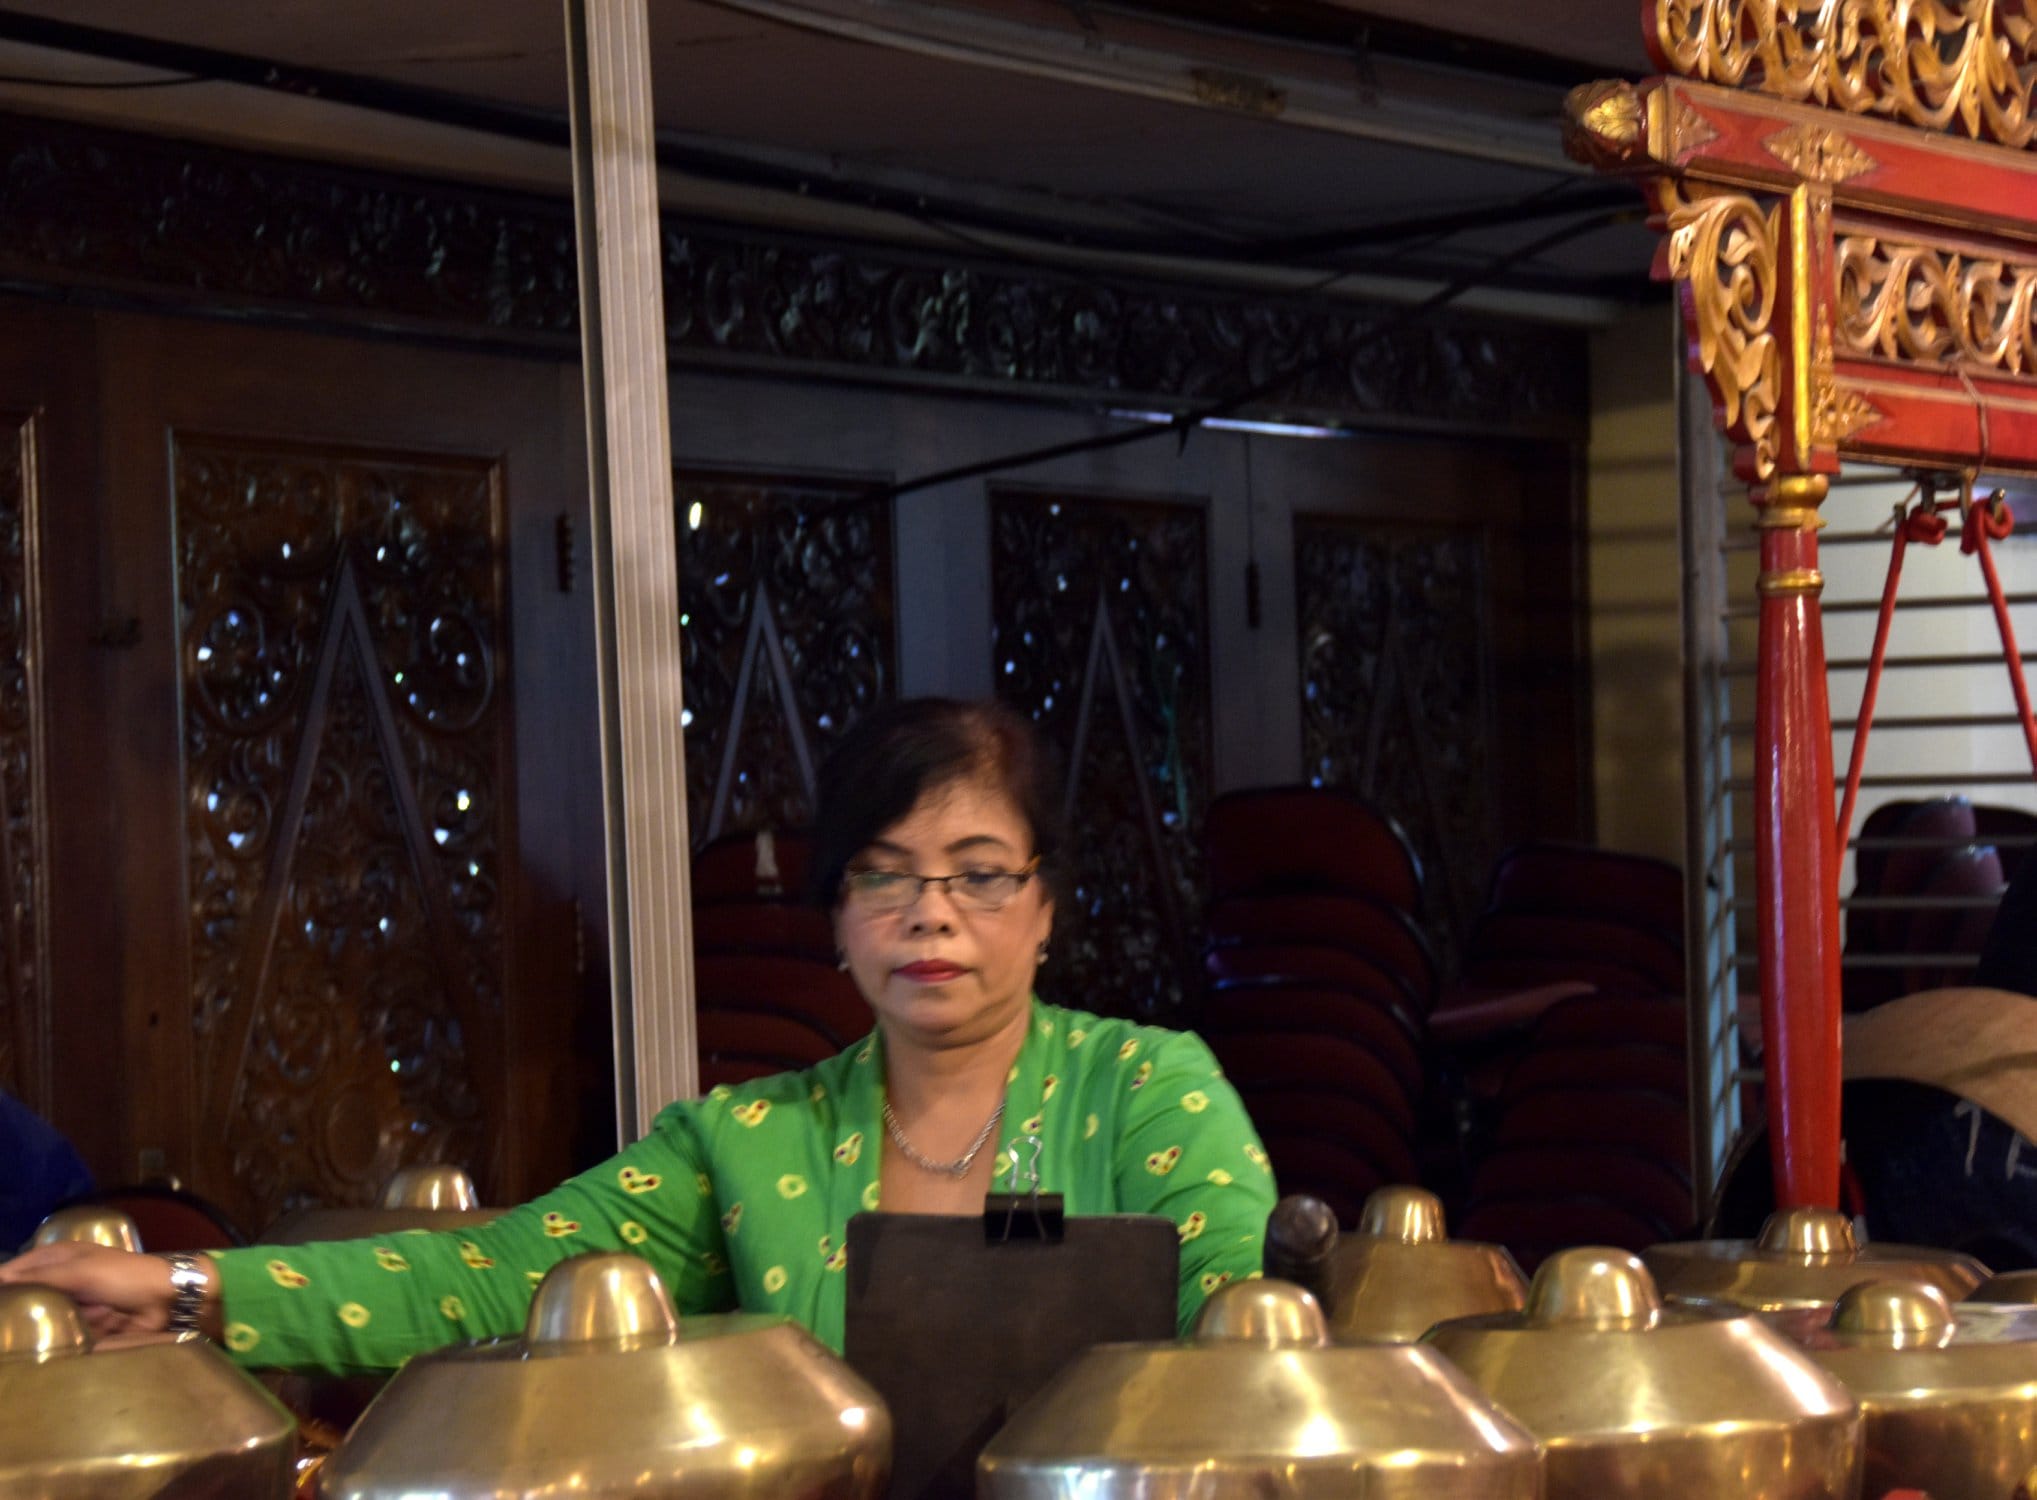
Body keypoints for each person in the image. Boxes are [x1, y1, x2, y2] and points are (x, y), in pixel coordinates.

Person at [1, 698, 1275, 1371]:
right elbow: (491, 1275)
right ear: (838, 918)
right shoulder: (749, 1140)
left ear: (1045, 908)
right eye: (883, 874)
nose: (930, 913)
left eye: (980, 873)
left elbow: (1239, 1333)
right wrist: (188, 1289)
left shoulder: (1146, 1089)